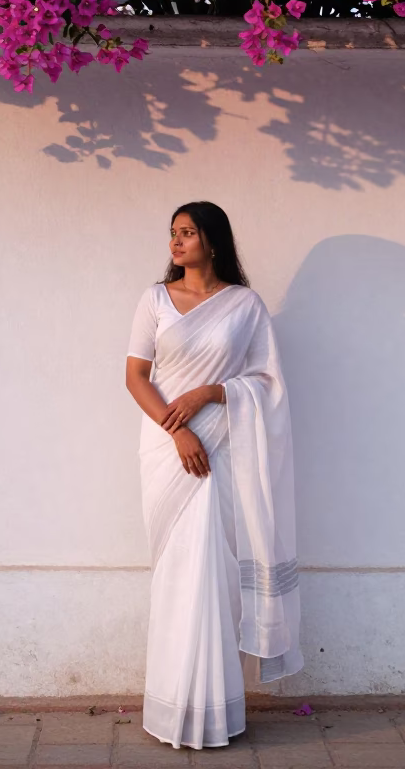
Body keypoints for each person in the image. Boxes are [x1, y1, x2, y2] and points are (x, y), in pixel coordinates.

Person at [125, 200, 303, 750]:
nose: (176, 242)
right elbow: (135, 377)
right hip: (170, 452)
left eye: (187, 233)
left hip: (223, 450)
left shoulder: (245, 306)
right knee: (179, 573)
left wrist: (212, 392)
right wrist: (178, 430)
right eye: (173, 233)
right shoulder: (155, 300)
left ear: (213, 241)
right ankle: (171, 707)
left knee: (213, 575)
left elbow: (268, 384)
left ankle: (214, 711)